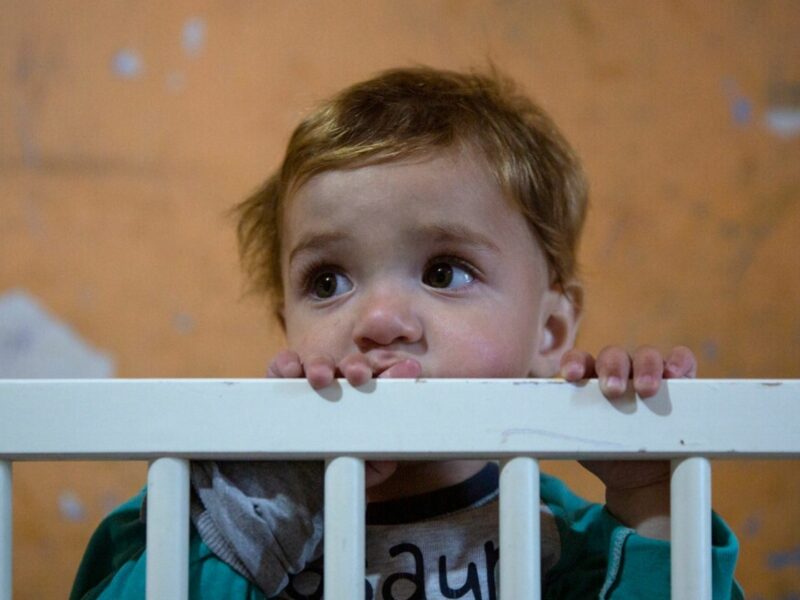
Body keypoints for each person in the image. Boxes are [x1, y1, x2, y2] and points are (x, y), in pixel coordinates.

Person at [71, 66, 742, 599]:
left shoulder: (560, 544)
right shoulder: (209, 519)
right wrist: (269, 514)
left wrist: (652, 496)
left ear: (551, 330)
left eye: (445, 271)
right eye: (328, 282)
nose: (379, 321)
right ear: (287, 329)